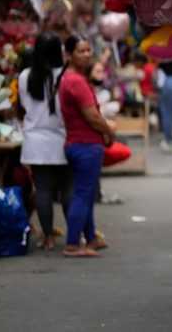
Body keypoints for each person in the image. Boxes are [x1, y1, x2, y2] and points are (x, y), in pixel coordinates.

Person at [58, 36, 117, 258]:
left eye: (88, 50)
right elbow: (92, 116)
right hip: (85, 145)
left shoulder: (71, 79)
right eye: (81, 51)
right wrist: (109, 132)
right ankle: (73, 243)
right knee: (83, 194)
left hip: (80, 144)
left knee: (87, 192)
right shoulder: (76, 81)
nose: (86, 54)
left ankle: (90, 237)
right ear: (70, 54)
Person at [18, 33, 70, 251]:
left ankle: (48, 237)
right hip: (62, 138)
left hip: (35, 139)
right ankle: (74, 234)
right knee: (68, 189)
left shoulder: (25, 76)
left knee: (43, 190)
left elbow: (23, 106)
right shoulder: (66, 76)